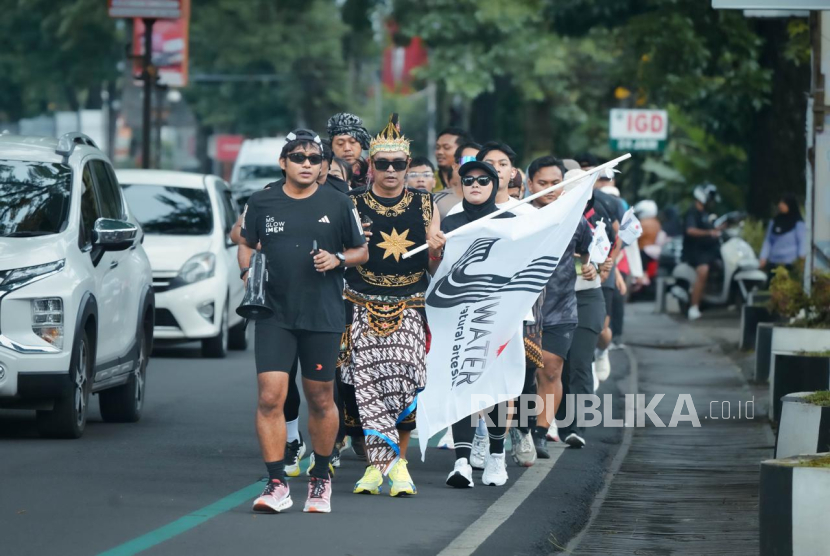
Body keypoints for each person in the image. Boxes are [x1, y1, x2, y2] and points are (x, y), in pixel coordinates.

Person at [241, 129, 368, 514]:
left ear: (323, 165)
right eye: (299, 157)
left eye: (315, 159)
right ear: (283, 163)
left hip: (321, 313)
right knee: (269, 398)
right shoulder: (262, 201)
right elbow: (245, 242)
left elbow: (361, 250)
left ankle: (321, 478)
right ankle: (277, 482)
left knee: (320, 398)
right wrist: (247, 271)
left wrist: (338, 260)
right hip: (273, 313)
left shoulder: (338, 201)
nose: (307, 164)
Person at [340, 114, 440, 497]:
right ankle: (381, 467)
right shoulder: (351, 203)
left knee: (407, 377)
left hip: (410, 304)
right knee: (366, 384)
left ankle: (399, 462)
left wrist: (436, 252)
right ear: (372, 166)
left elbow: (436, 264)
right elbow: (341, 253)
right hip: (362, 304)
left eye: (400, 164)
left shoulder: (426, 203)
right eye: (383, 163)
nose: (392, 171)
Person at [430, 158, 516, 488]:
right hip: (459, 314)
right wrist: (436, 252)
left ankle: (496, 456)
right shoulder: (452, 222)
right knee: (461, 383)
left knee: (495, 387)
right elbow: (437, 271)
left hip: (500, 313)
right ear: (461, 186)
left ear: (495, 184)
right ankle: (462, 462)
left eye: (483, 180)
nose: (476, 185)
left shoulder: (511, 221)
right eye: (469, 180)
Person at [522, 157, 593, 457]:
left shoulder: (577, 220)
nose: (550, 189)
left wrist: (589, 268)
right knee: (522, 375)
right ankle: (516, 431)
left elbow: (586, 254)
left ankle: (539, 433)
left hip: (560, 309)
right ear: (529, 184)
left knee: (551, 371)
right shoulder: (517, 218)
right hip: (520, 310)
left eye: (556, 183)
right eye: (543, 183)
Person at [555, 169, 610, 449]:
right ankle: (561, 422)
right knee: (557, 365)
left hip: (588, 299)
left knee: (580, 362)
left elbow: (603, 262)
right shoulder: (548, 219)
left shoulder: (598, 219)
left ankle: (578, 427)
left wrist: (596, 268)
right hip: (555, 301)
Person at [683, 184, 722, 321]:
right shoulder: (692, 212)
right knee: (703, 271)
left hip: (709, 251)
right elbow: (690, 230)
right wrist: (709, 232)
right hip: (696, 253)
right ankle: (694, 306)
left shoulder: (706, 214)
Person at [760, 194, 806, 277]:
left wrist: (802, 258)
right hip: (774, 261)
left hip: (790, 262)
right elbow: (768, 241)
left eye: (784, 203)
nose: (780, 205)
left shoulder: (798, 223)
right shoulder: (774, 221)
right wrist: (763, 257)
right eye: (780, 203)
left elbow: (802, 241)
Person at [434, 141, 481, 219]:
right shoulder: (435, 200)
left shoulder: (493, 200)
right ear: (455, 166)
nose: (474, 165)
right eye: (468, 160)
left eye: (479, 161)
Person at [434, 127, 471, 192]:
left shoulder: (473, 181)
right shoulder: (429, 179)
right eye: (437, 147)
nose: (439, 152)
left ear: (463, 150)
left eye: (446, 147)